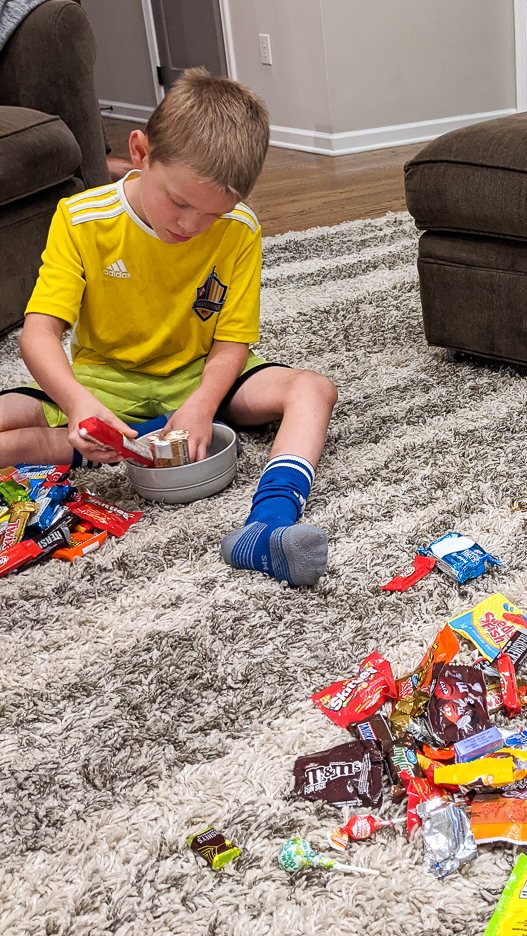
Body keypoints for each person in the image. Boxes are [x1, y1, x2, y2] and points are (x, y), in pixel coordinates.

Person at [0, 68, 337, 587]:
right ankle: (117, 439)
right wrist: (77, 405)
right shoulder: (81, 218)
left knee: (314, 389)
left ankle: (266, 525)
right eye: (178, 202)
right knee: (11, 421)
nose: (189, 226)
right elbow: (38, 335)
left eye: (211, 213)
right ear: (139, 152)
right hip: (104, 385)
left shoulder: (239, 229)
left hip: (203, 378)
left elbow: (232, 341)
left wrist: (202, 403)